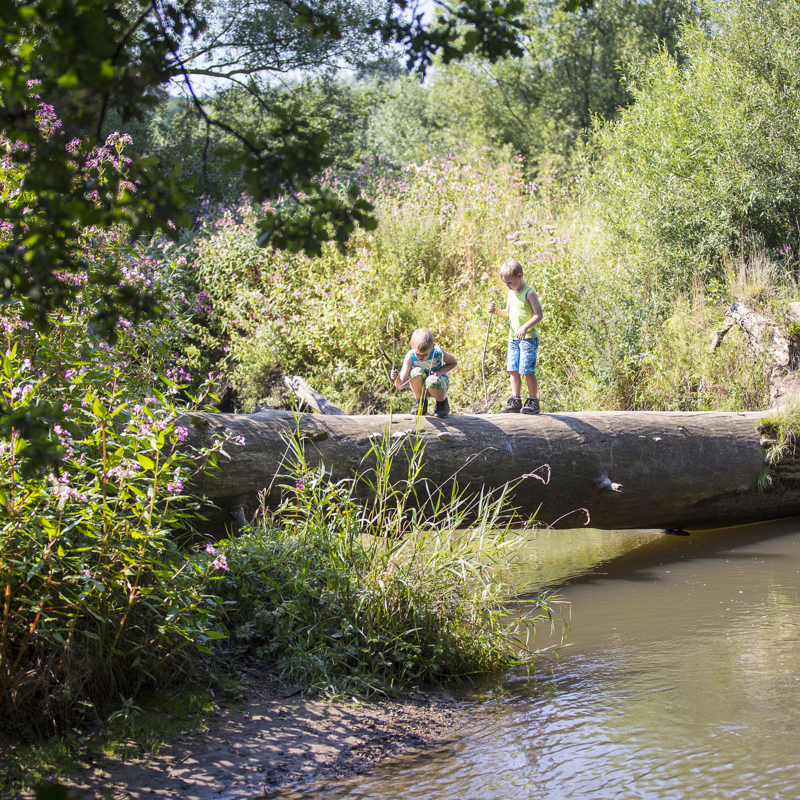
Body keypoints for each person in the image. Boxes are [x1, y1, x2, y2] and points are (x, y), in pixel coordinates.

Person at [487, 258, 543, 414]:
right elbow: (508, 314)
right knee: (513, 369)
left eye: (509, 282)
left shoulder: (529, 293)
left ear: (520, 276)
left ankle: (533, 400)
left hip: (528, 338)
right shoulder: (510, 293)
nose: (507, 285)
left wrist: (525, 327)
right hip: (513, 339)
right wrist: (496, 311)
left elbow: (539, 315)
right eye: (505, 283)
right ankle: (515, 399)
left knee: (527, 369)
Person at [390, 328, 457, 418]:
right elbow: (400, 386)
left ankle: (442, 404)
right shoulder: (410, 356)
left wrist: (439, 371)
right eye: (418, 354)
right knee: (415, 372)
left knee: (431, 380)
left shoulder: (437, 353)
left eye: (425, 354)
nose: (421, 357)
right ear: (411, 345)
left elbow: (453, 363)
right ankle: (421, 403)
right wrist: (397, 378)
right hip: (421, 388)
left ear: (432, 346)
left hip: (438, 385)